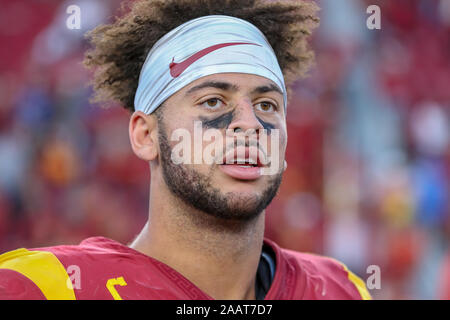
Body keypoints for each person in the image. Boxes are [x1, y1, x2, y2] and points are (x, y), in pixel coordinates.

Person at [0, 0, 371, 300]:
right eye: (213, 101)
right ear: (145, 135)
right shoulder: (42, 289)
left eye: (267, 105)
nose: (250, 124)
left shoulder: (342, 290)